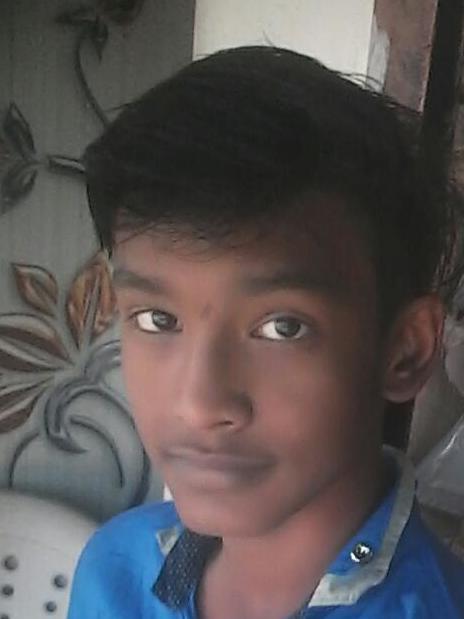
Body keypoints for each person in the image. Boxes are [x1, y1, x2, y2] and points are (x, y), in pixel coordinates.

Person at [67, 46, 464, 619]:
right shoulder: (115, 571)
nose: (199, 405)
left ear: (405, 352)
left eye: (282, 327)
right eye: (158, 319)